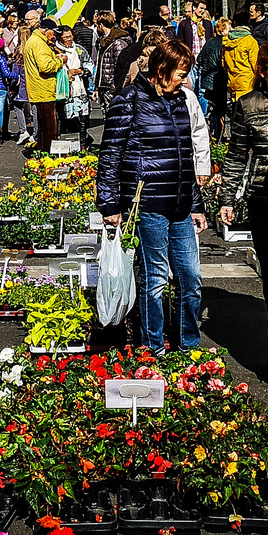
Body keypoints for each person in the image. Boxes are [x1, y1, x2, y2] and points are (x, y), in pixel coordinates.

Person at [97, 39, 210, 355]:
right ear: (162, 69)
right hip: (147, 204)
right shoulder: (128, 100)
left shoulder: (180, 101)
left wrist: (197, 205)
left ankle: (189, 344)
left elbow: (185, 156)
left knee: (191, 278)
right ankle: (153, 347)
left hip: (180, 204)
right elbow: (110, 155)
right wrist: (109, 203)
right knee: (155, 280)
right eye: (180, 73)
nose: (184, 80)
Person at [215, 39, 268, 369]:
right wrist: (227, 198)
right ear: (262, 71)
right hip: (263, 195)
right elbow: (237, 155)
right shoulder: (247, 104)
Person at [22, 17, 66, 156]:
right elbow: (45, 67)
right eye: (53, 32)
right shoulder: (38, 43)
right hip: (44, 88)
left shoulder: (36, 41)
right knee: (49, 128)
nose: (54, 35)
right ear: (46, 30)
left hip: (40, 87)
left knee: (43, 127)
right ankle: (48, 156)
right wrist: (60, 61)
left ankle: (42, 152)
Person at [59, 26, 94, 147]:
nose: (69, 39)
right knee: (66, 120)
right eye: (66, 37)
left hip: (80, 90)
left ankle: (83, 145)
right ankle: (67, 147)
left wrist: (79, 71)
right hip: (64, 92)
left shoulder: (79, 49)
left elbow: (90, 65)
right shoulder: (56, 51)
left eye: (70, 36)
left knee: (83, 120)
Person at [96, 17, 134, 111]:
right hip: (104, 85)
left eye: (97, 25)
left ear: (101, 25)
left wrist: (116, 86)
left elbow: (121, 66)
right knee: (107, 115)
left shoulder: (118, 42)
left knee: (114, 113)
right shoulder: (104, 41)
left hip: (112, 86)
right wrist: (97, 86)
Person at [222, 18, 260, 102]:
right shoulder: (250, 41)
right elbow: (255, 64)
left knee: (235, 110)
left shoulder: (226, 41)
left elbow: (224, 64)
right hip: (247, 82)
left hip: (232, 81)